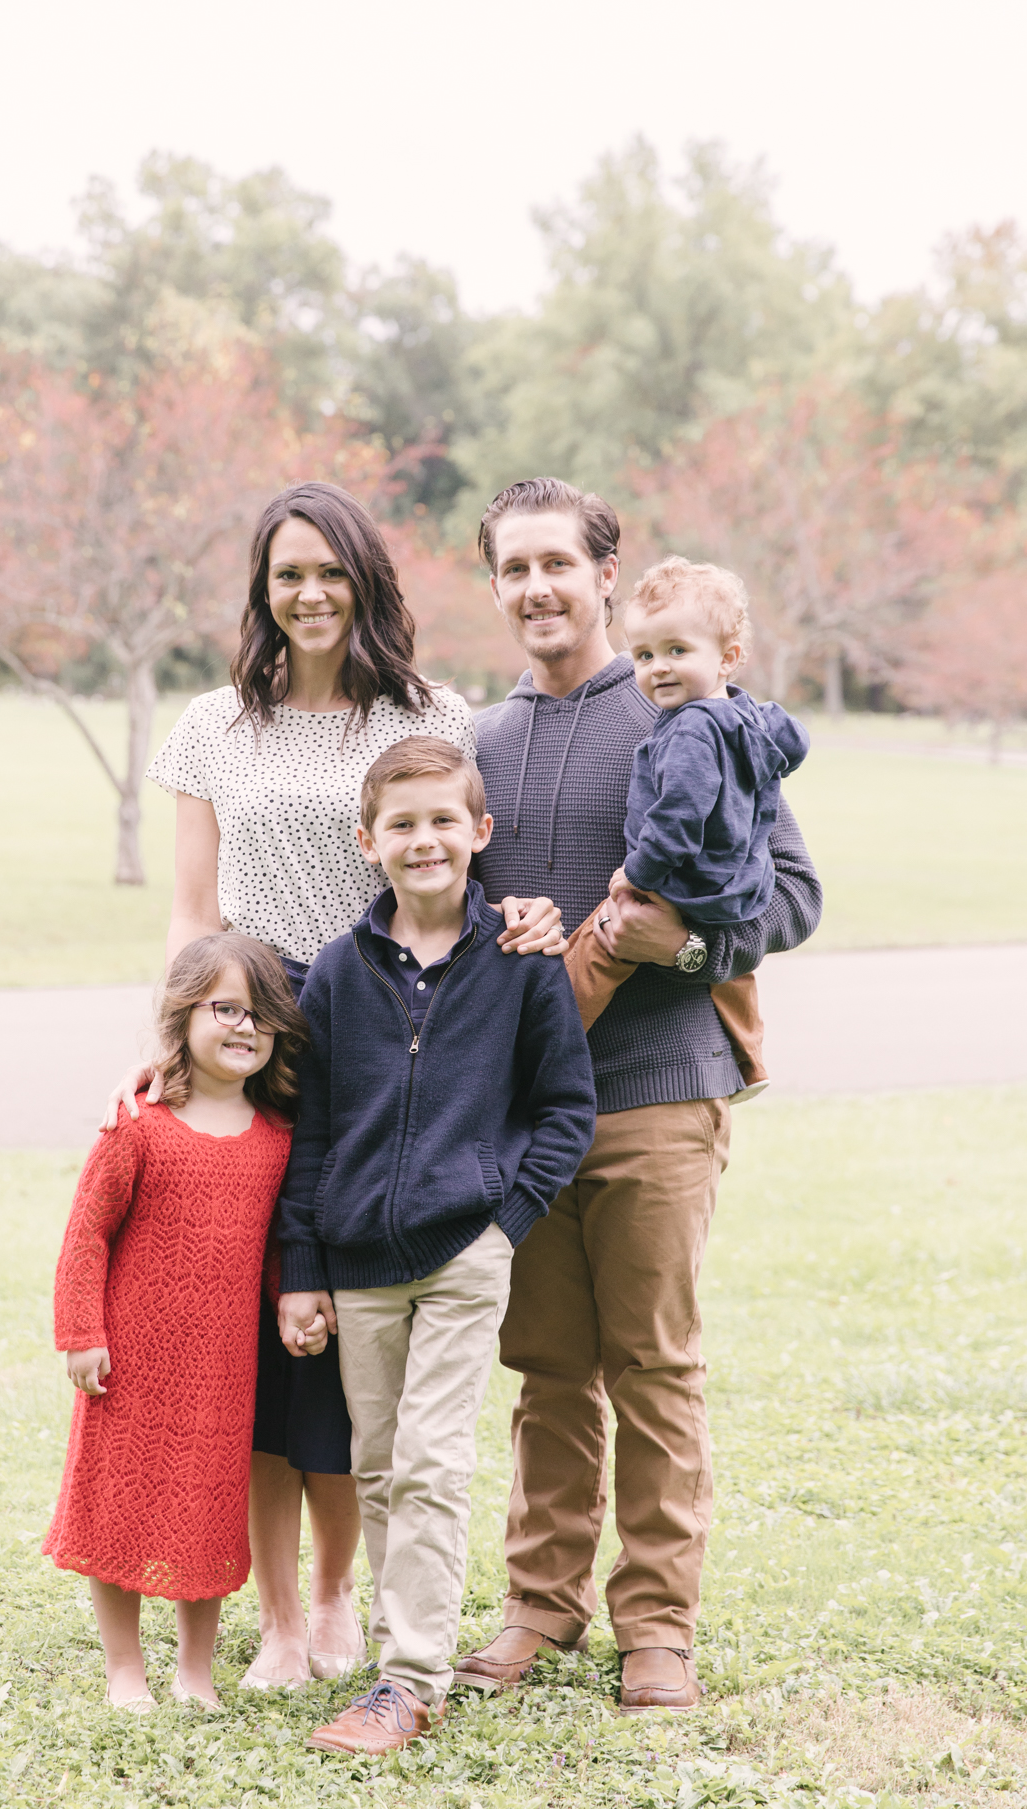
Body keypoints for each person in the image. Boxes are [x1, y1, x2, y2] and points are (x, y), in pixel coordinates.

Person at [101, 481, 565, 1688]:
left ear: (365, 578)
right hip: (251, 1043)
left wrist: (519, 914)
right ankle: (278, 1619)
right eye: (285, 573)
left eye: (329, 570)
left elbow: (458, 851)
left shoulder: (427, 714)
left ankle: (337, 1600)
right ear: (262, 587)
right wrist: (173, 1041)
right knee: (267, 1342)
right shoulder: (215, 724)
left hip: (384, 1043)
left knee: (355, 1352)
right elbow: (195, 910)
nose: (308, 593)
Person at [452, 478, 822, 1713]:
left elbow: (793, 896)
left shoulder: (691, 713)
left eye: (559, 562)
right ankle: (537, 1610)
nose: (537, 588)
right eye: (514, 569)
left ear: (607, 573)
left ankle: (658, 1625)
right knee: (548, 1367)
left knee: (653, 1366)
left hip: (662, 1092)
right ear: (497, 585)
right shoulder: (484, 746)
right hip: (528, 1112)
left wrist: (685, 949)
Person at [274, 737, 597, 1755]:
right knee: (377, 1466)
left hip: (464, 1253)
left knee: (430, 1462)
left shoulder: (521, 963)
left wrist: (502, 1224)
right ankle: (400, 1654)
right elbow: (314, 1132)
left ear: (480, 833)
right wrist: (303, 1269)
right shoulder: (337, 972)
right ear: (369, 841)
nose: (425, 841)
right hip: (359, 1257)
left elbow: (563, 1108)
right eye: (403, 824)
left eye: (443, 821)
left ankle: (407, 1683)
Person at [44, 932, 307, 1710]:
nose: (244, 1027)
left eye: (261, 1016)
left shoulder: (275, 1140)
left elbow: (272, 1251)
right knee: (117, 1501)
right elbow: (86, 1231)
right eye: (225, 1008)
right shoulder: (140, 1124)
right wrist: (81, 1331)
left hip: (223, 1369)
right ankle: (125, 1667)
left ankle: (195, 1669)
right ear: (184, 1013)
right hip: (131, 1359)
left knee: (212, 1509)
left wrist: (295, 1306)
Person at [589, 555, 810, 1098]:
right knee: (732, 975)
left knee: (597, 951)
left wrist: (635, 874)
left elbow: (677, 821)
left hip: (689, 878)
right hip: (740, 880)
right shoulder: (745, 716)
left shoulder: (688, 731)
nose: (657, 667)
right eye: (643, 655)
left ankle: (546, 1044)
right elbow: (795, 741)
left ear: (729, 657)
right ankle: (749, 1061)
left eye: (676, 651)